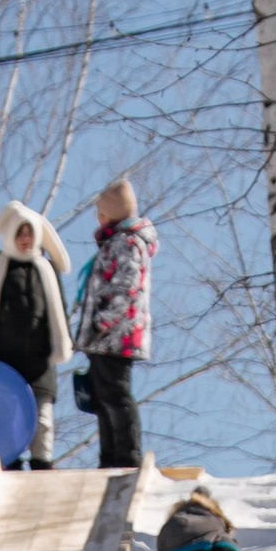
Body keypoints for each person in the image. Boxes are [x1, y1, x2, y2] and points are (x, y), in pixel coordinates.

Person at [0, 204, 76, 470]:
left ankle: (42, 462)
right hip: (7, 360)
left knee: (42, 419)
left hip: (40, 361)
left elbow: (59, 310)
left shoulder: (46, 270)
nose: (25, 239)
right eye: (20, 233)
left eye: (30, 233)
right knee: (9, 414)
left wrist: (64, 343)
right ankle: (11, 461)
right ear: (12, 235)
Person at [78, 179, 156, 473]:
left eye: (100, 212)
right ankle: (110, 456)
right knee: (103, 396)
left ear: (109, 214)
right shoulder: (118, 242)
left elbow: (126, 286)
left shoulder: (126, 243)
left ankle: (127, 457)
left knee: (116, 393)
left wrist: (103, 322)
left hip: (117, 335)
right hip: (106, 336)